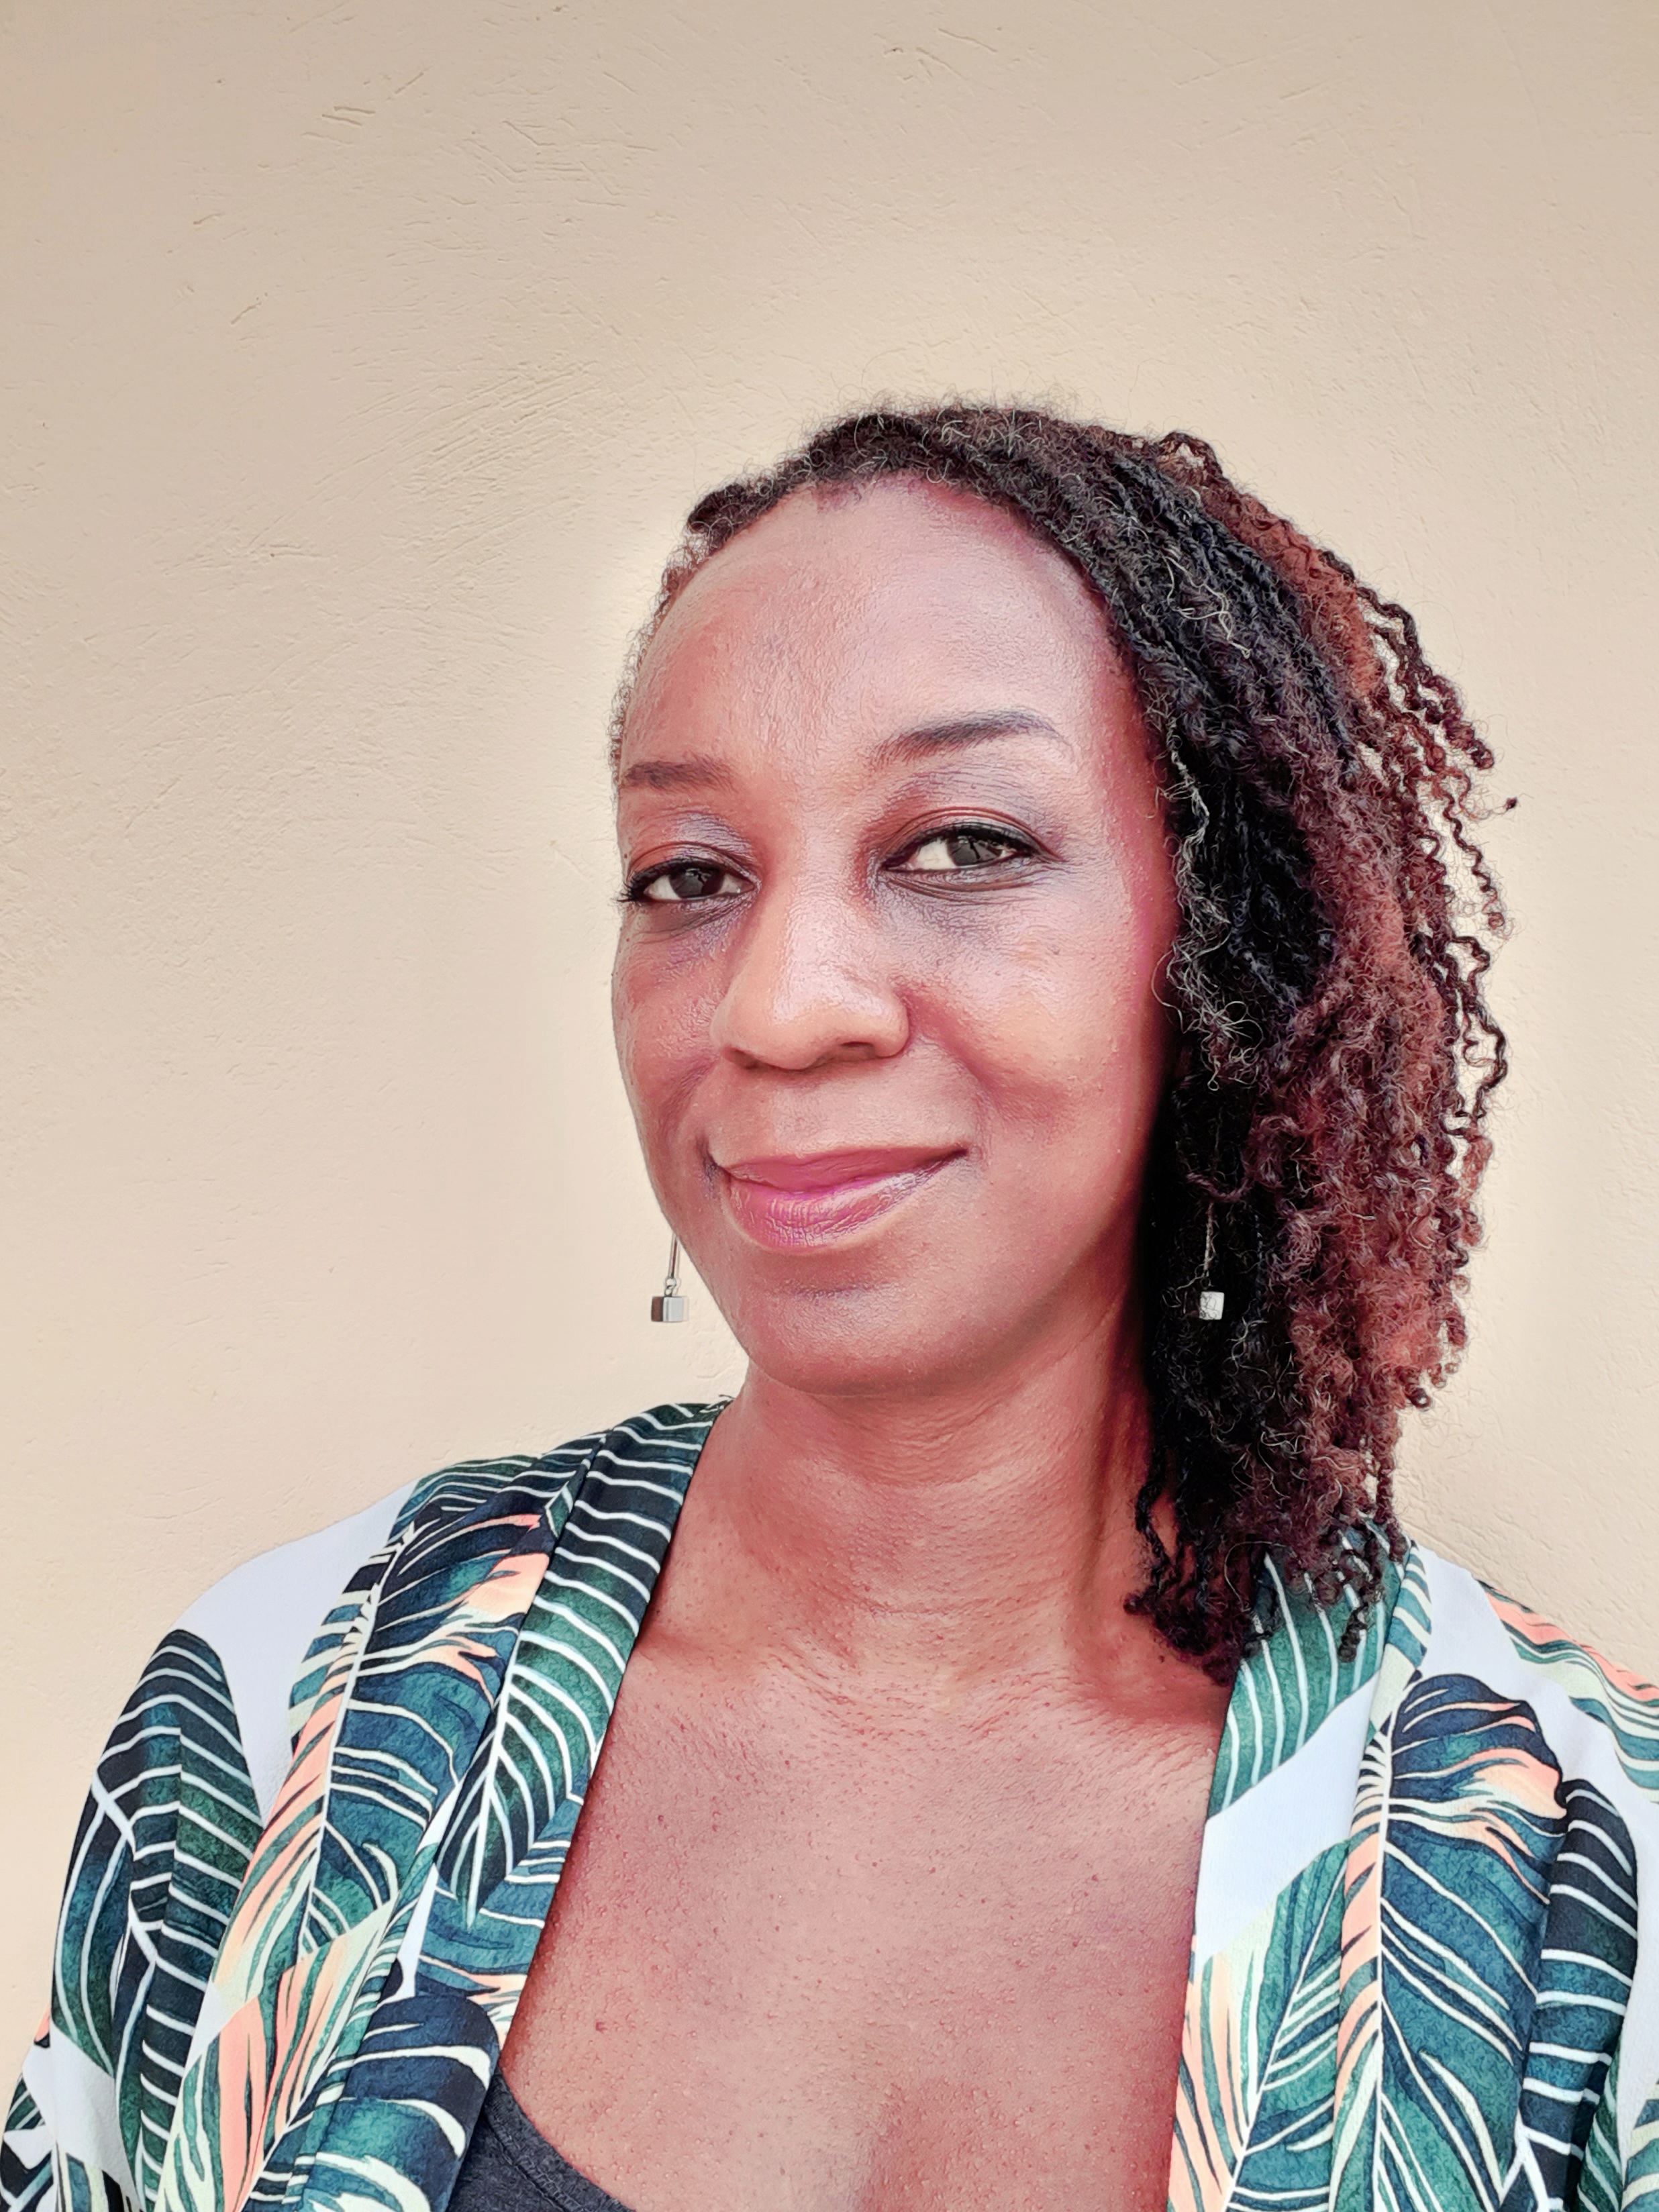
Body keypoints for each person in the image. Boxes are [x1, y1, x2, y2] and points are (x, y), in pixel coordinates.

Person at [7, 405, 1657, 2212]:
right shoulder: (285, 1718)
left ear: (1223, 949)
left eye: (959, 846)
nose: (780, 1007)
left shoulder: (1586, 1887)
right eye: (692, 876)